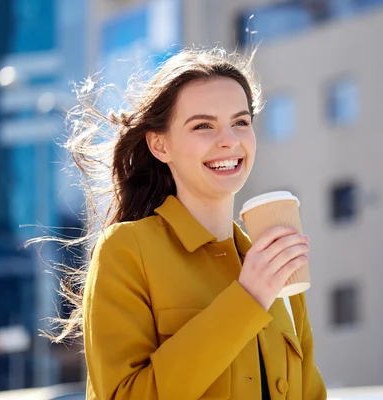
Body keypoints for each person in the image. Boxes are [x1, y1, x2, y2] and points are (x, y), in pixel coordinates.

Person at [55, 47, 327, 399]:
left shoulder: (273, 265)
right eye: (203, 125)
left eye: (240, 122)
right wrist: (248, 299)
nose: (229, 139)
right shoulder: (127, 250)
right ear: (159, 145)